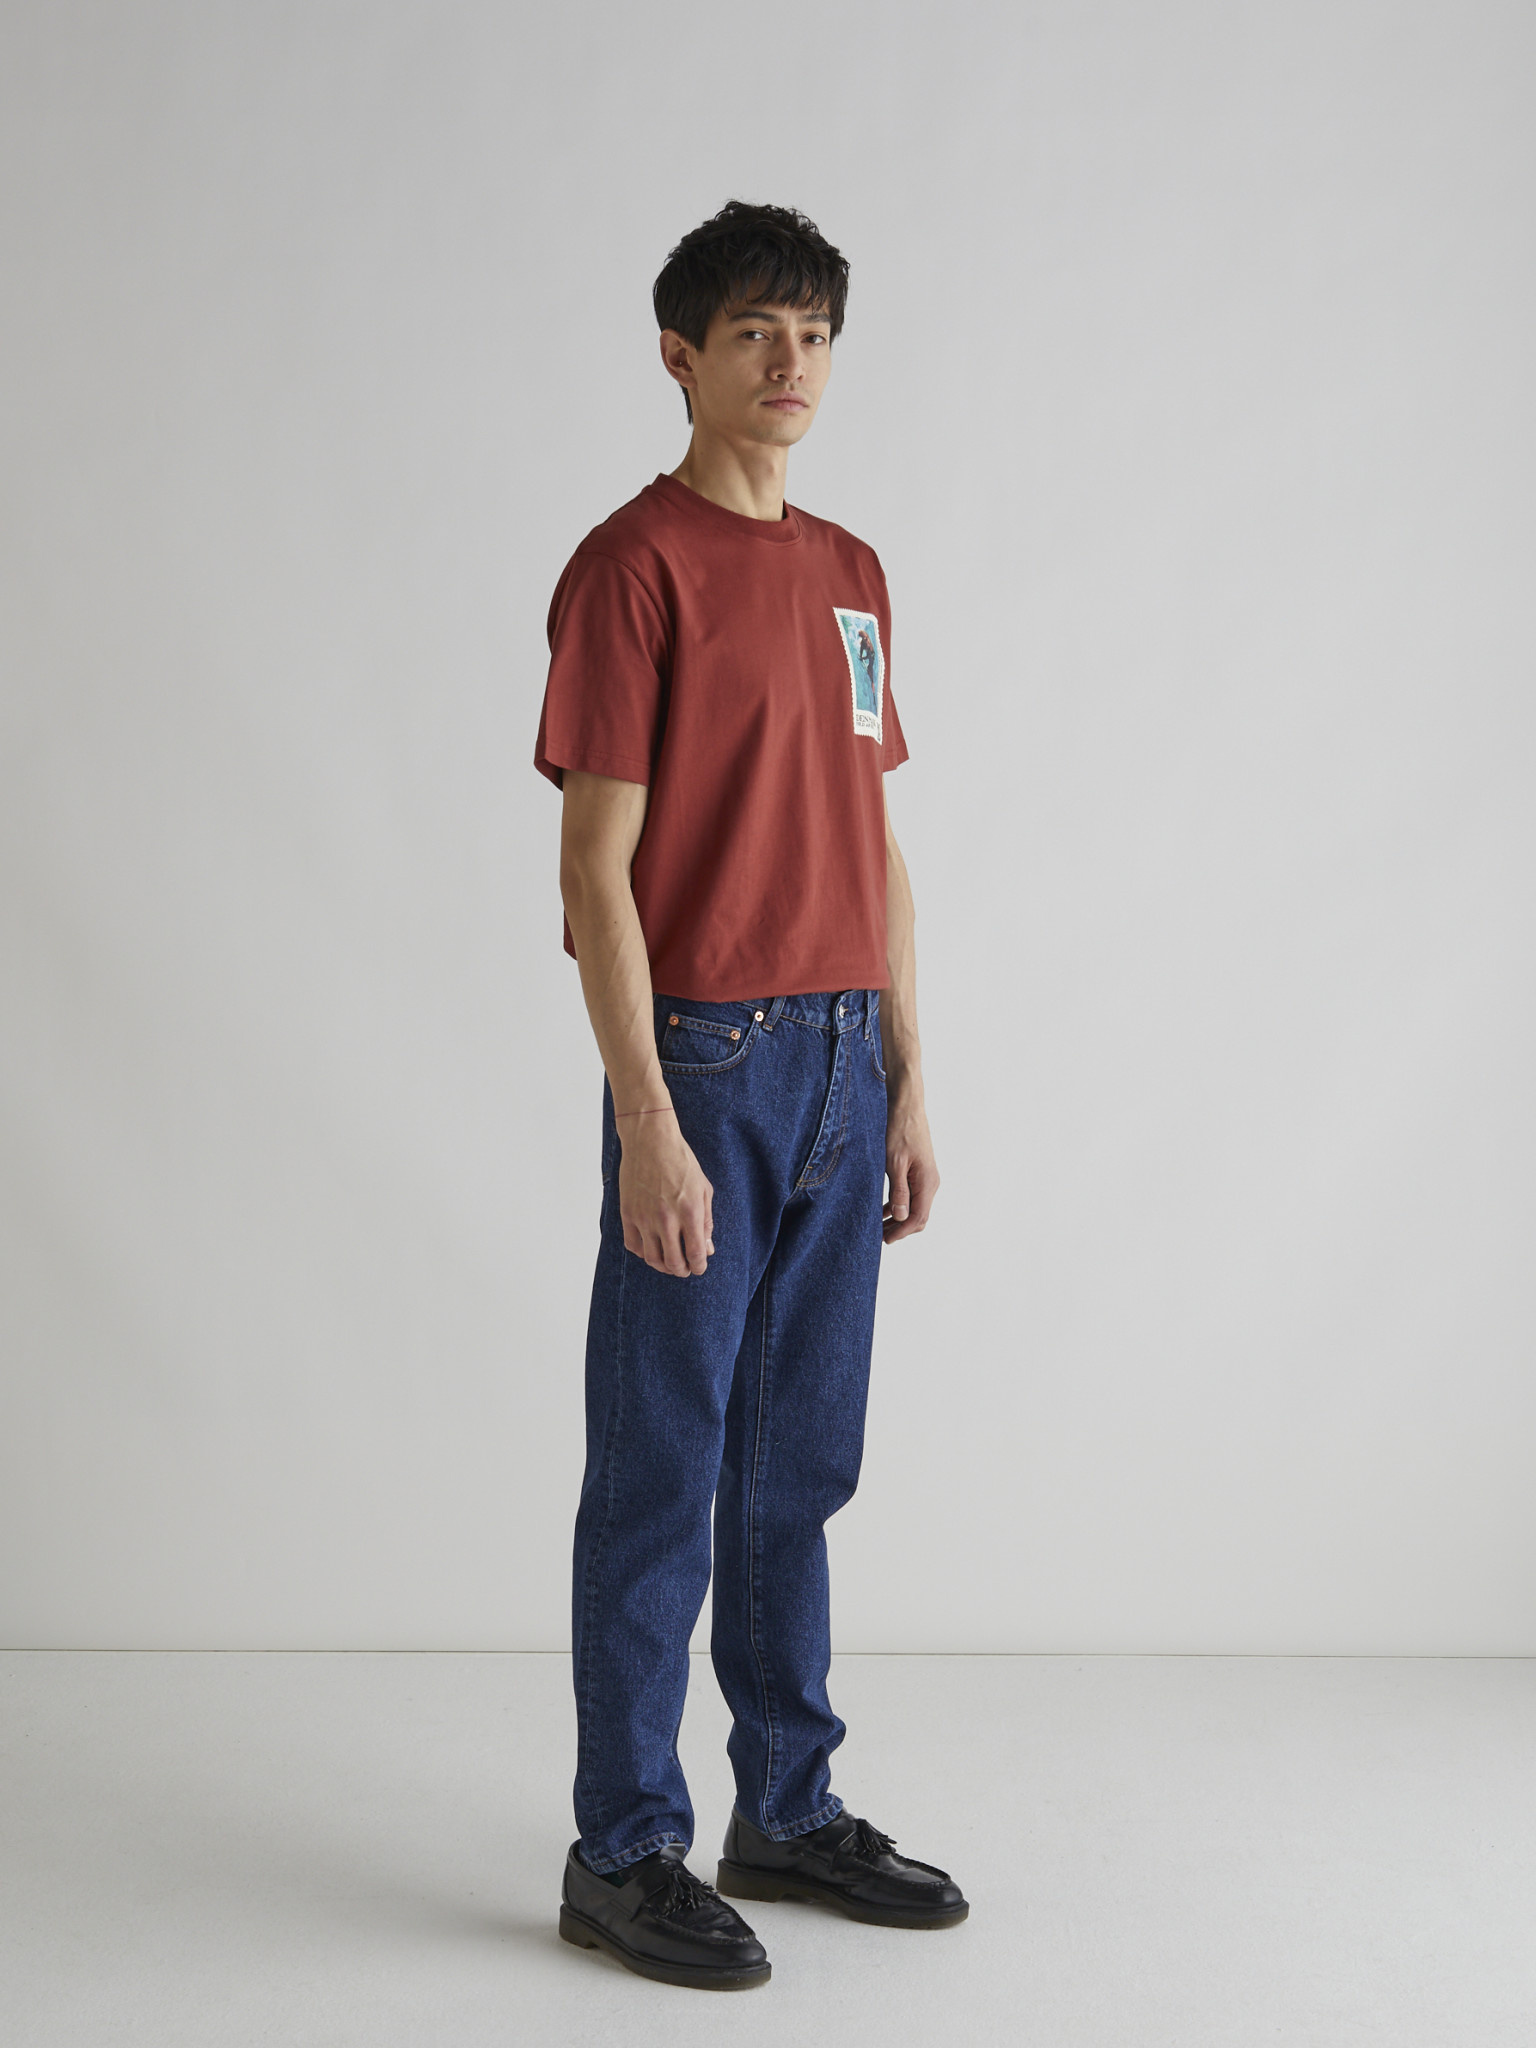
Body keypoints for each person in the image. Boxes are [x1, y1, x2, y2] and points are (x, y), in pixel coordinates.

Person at [533, 199, 968, 1992]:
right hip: (707, 1058)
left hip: (844, 1055)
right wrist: (644, 1113)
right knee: (662, 1468)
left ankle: (784, 1805)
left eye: (815, 334)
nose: (791, 364)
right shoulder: (631, 569)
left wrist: (910, 1075)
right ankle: (623, 1845)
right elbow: (594, 868)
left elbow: (875, 836)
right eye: (754, 334)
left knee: (799, 1464)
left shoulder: (853, 571)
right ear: (680, 356)